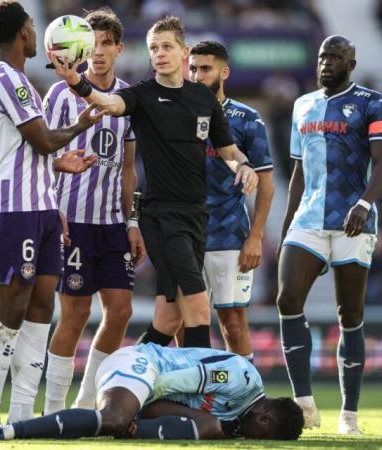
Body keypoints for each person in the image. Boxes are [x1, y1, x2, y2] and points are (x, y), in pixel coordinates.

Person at [51, 16, 258, 350]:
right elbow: (109, 103)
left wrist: (244, 166)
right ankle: (199, 395)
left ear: (184, 52)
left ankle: (130, 376)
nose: (159, 54)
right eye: (153, 49)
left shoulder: (203, 100)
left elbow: (228, 149)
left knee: (167, 319)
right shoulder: (143, 95)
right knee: (199, 306)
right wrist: (76, 80)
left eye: (166, 47)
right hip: (161, 217)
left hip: (196, 216)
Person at [0, 0, 103, 426]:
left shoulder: (22, 82)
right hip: (13, 209)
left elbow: (29, 150)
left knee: (41, 308)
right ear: (21, 35)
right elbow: (43, 140)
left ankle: (21, 415)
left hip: (42, 207)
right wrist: (81, 127)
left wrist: (57, 163)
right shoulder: (5, 79)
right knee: (11, 309)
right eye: (32, 26)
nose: (36, 33)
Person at [276, 35, 382, 435]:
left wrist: (364, 204)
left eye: (336, 57)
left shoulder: (371, 102)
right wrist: (287, 223)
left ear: (351, 64)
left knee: (350, 314)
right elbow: (297, 171)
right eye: (323, 56)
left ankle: (350, 414)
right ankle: (305, 402)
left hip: (352, 221)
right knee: (287, 298)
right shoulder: (302, 105)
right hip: (309, 220)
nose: (326, 63)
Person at [43, 7, 146, 415]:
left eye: (106, 43)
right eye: (92, 44)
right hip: (72, 220)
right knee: (74, 314)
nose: (98, 52)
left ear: (119, 48)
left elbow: (128, 170)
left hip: (112, 225)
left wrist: (132, 221)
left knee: (120, 311)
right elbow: (40, 152)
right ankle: (52, 407)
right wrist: (50, 207)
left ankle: (86, 402)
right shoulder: (59, 95)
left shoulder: (126, 101)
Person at [150, 41, 275, 358]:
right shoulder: (173, 115)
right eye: (192, 67)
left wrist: (256, 237)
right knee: (180, 320)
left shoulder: (246, 118)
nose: (197, 74)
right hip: (184, 235)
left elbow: (266, 183)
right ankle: (189, 393)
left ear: (224, 71)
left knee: (232, 323)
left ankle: (246, 400)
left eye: (205, 68)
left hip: (229, 236)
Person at [0, 343, 304, 441]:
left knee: (210, 428)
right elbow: (170, 382)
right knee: (115, 418)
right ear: (263, 418)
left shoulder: (237, 420)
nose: (252, 441)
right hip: (142, 364)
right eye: (263, 437)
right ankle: (6, 432)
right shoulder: (241, 379)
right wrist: (134, 408)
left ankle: (130, 430)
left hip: (153, 395)